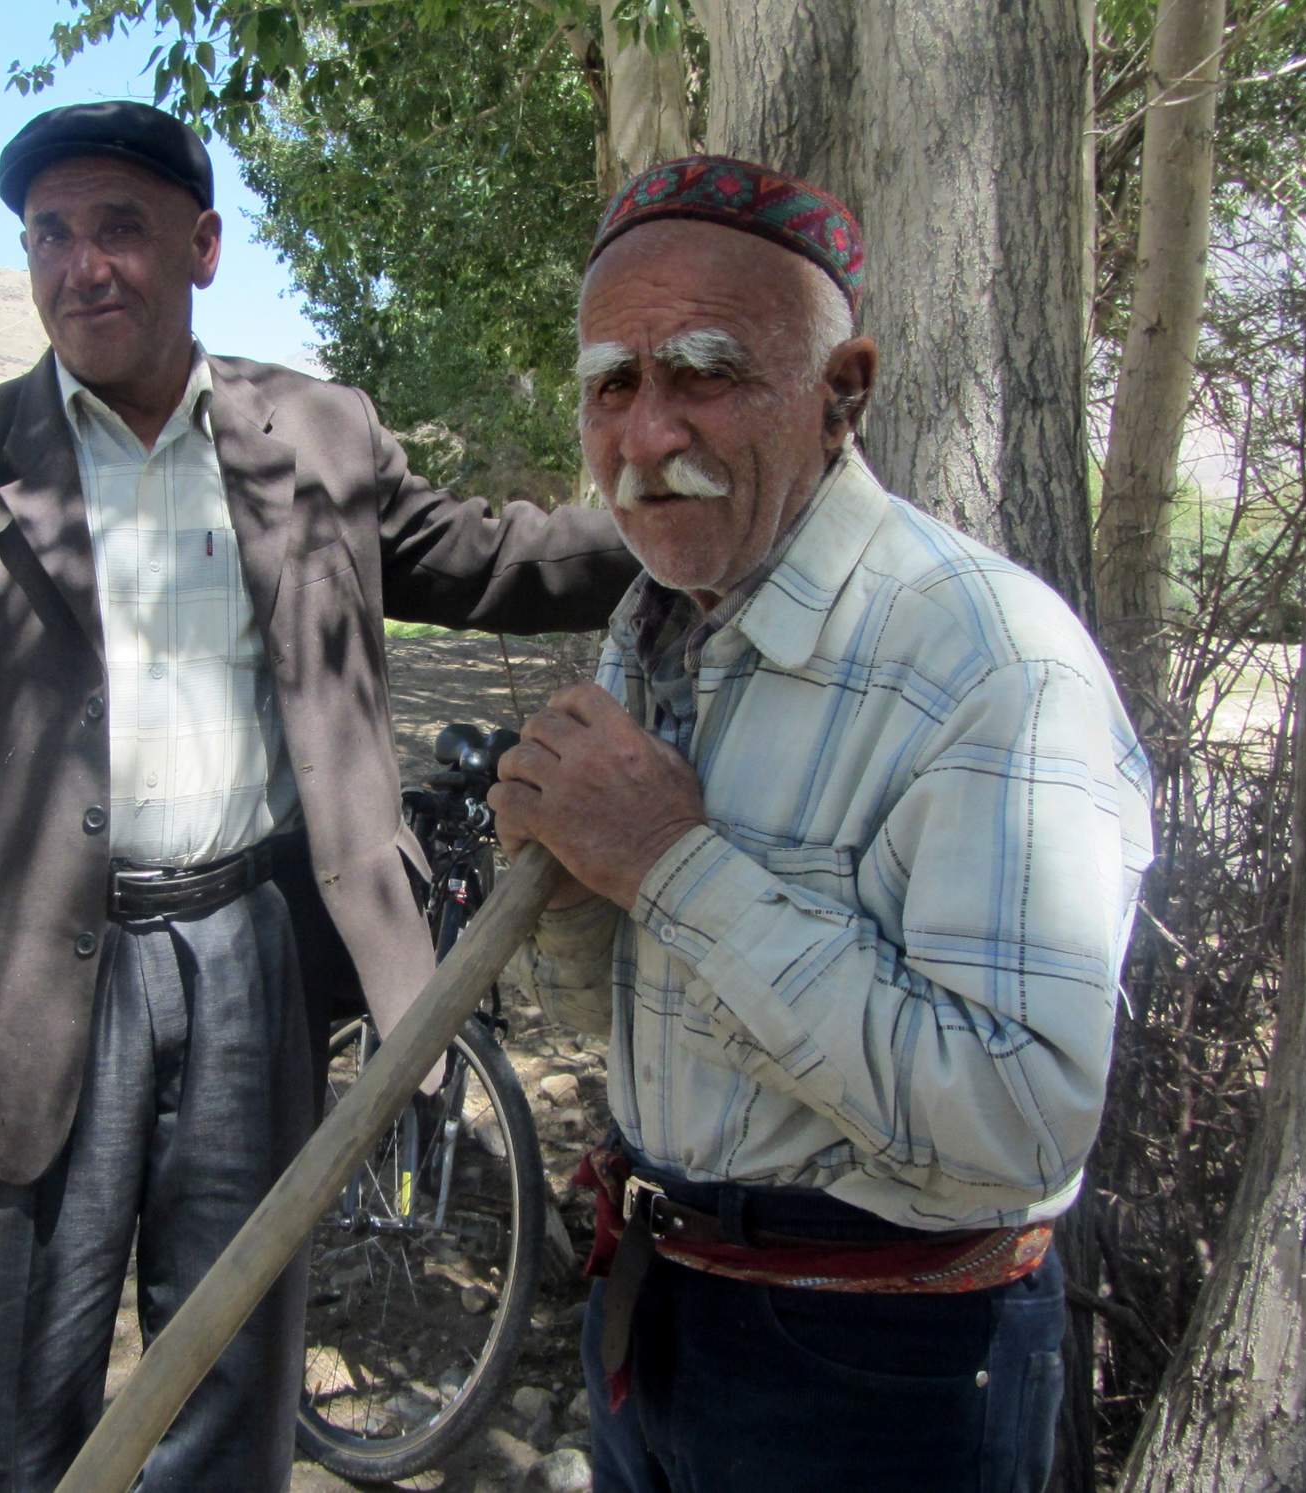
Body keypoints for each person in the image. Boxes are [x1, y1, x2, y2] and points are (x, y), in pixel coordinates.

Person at [0, 100, 636, 1493]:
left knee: (234, 1354)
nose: (83, 265)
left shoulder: (314, 434)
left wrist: (670, 537)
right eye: (51, 235)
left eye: (120, 230)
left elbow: (484, 558)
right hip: (40, 984)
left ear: (202, 247)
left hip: (252, 955)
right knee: (30, 1380)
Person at [488, 156, 1154, 1492]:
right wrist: (568, 898)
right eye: (612, 383)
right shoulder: (654, 629)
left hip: (880, 1363)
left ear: (843, 394)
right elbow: (634, 1002)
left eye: (704, 373)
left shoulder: (990, 663)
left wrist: (672, 863)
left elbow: (1019, 1121)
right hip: (660, 1305)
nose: (645, 434)